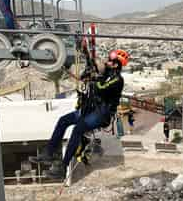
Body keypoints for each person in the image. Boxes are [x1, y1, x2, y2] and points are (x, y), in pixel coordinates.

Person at [32, 49, 129, 178]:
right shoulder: (107, 74)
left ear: (116, 64)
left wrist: (94, 78)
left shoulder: (117, 79)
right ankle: (49, 152)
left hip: (101, 113)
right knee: (63, 120)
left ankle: (63, 166)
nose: (107, 61)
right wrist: (86, 53)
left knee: (78, 130)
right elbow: (93, 68)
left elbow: (100, 88)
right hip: (91, 109)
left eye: (110, 60)